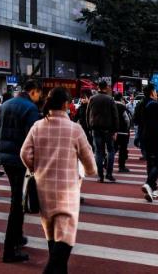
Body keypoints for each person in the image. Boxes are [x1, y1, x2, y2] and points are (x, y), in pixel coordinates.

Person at [20, 88, 96, 274]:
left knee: (52, 236)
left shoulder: (38, 126)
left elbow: (24, 153)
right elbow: (90, 163)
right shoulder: (75, 129)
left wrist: (36, 168)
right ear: (65, 104)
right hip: (67, 191)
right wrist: (88, 171)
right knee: (65, 239)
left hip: (43, 187)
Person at [0, 80, 43, 263]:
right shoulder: (30, 109)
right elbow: (34, 139)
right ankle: (9, 249)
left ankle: (18, 237)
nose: (40, 97)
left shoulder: (6, 105)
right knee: (17, 204)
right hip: (20, 160)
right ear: (33, 91)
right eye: (39, 93)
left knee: (17, 200)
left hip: (6, 159)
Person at [137, 83, 158, 202]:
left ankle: (152, 189)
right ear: (152, 92)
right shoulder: (157, 105)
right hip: (155, 137)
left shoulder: (140, 104)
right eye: (155, 91)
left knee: (150, 163)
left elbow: (135, 120)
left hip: (144, 137)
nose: (156, 93)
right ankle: (148, 184)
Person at [86, 80, 120, 183]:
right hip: (108, 129)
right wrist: (115, 130)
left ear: (98, 87)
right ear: (106, 87)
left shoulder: (92, 99)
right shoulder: (110, 99)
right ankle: (109, 174)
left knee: (98, 152)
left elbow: (88, 114)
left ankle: (100, 176)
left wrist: (89, 127)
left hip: (95, 129)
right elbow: (115, 116)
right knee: (110, 151)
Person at [114, 94, 133, 173]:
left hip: (113, 132)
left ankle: (106, 162)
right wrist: (127, 128)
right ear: (121, 99)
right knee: (122, 149)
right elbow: (127, 119)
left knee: (112, 149)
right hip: (123, 131)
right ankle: (121, 166)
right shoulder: (122, 107)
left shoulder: (111, 105)